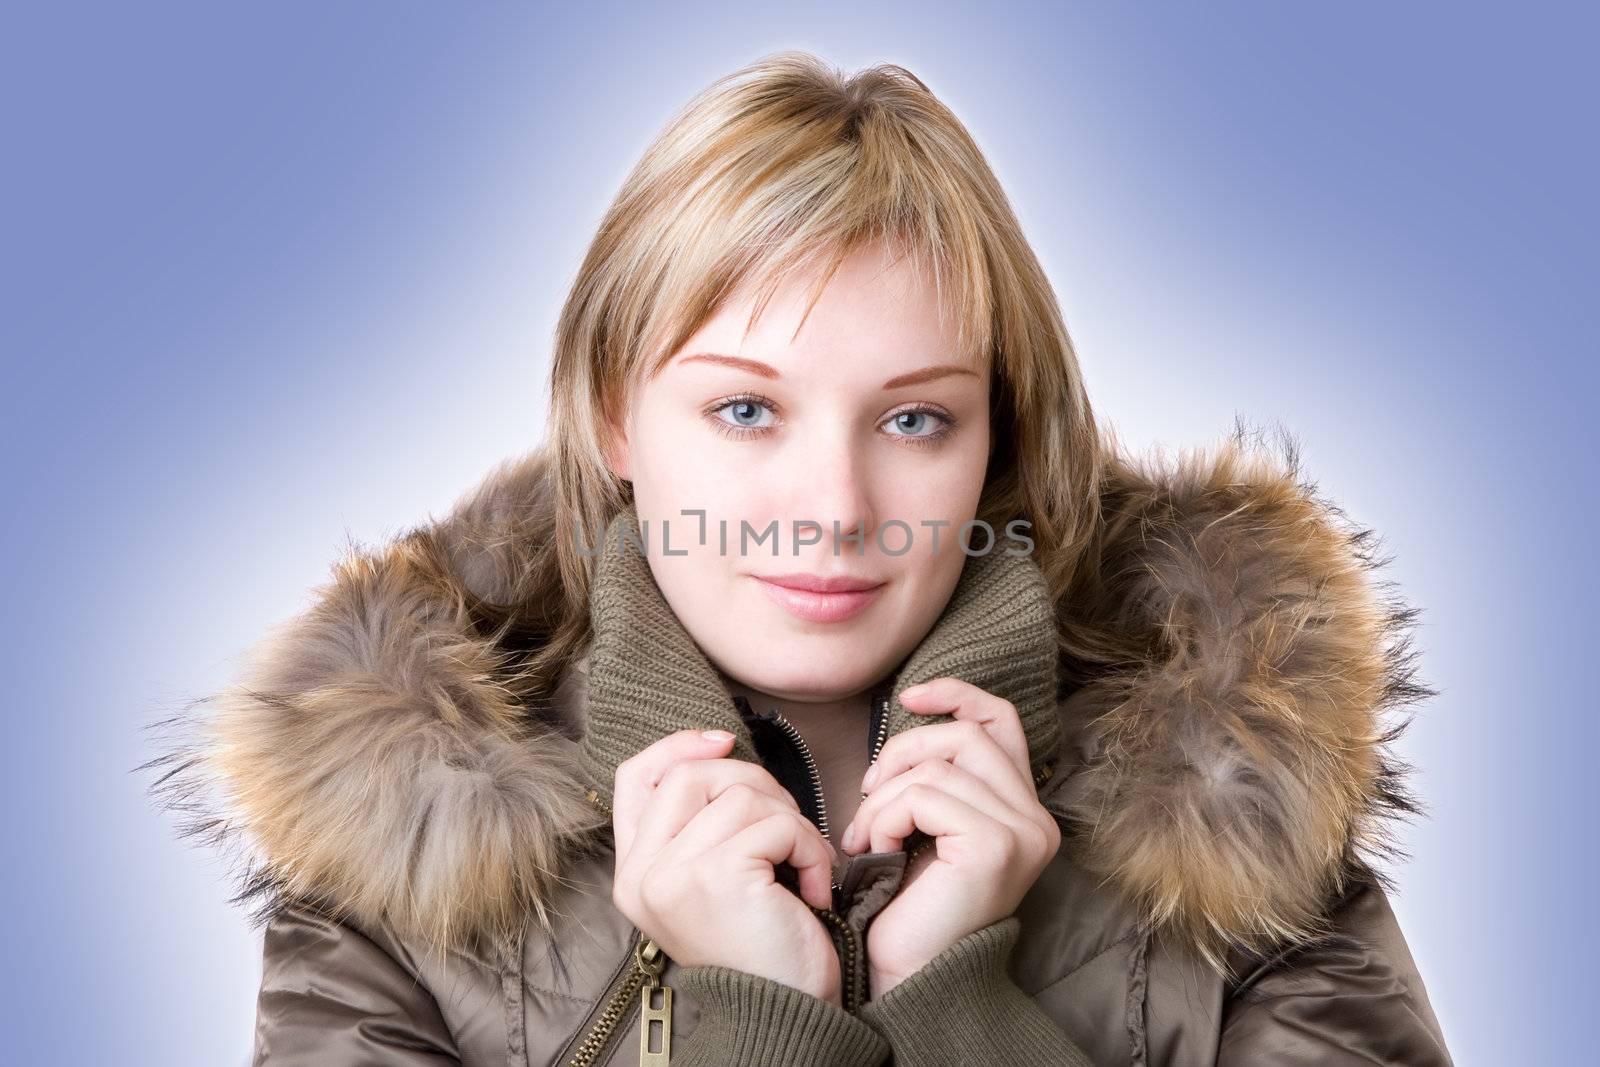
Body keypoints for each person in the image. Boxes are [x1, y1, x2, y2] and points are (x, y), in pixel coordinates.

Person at [146, 51, 1454, 1065]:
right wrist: (754, 1022)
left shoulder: (1242, 830)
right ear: (614, 415)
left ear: (995, 442)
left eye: (913, 418)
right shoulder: (398, 872)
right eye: (745, 411)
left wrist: (962, 1012)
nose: (831, 508)